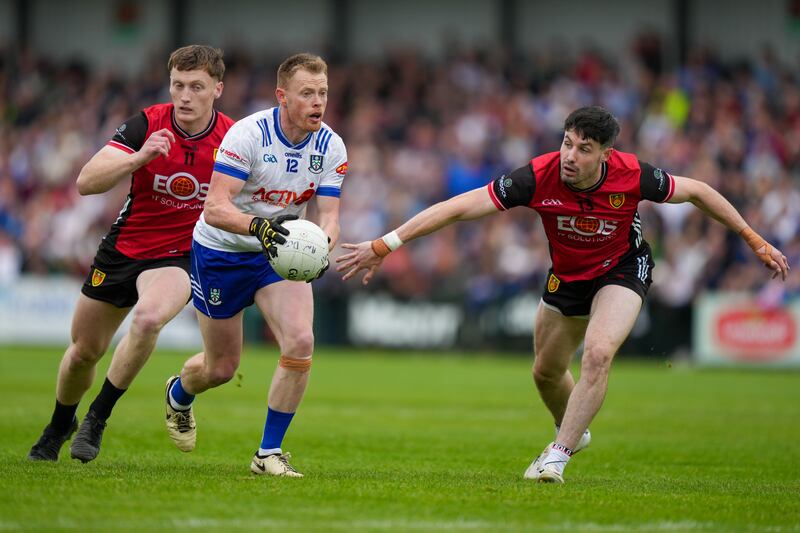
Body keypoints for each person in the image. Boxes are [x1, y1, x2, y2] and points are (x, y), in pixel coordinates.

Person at [336, 106, 790, 484]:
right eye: (567, 143)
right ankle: (573, 427)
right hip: (567, 278)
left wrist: (753, 239)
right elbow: (459, 207)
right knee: (544, 372)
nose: (570, 155)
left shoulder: (632, 175)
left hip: (623, 268)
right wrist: (386, 244)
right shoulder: (538, 176)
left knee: (597, 354)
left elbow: (698, 191)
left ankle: (558, 454)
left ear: (605, 155)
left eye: (584, 149)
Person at [28, 45, 234, 462]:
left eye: (197, 87)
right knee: (83, 352)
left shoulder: (234, 137)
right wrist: (139, 157)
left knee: (149, 318)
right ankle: (59, 422)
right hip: (123, 249)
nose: (185, 96)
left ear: (218, 89)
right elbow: (86, 182)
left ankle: (97, 418)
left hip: (180, 255)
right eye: (178, 85)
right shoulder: (146, 124)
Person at [164, 53, 347, 478]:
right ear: (282, 96)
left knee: (301, 341)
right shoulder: (248, 135)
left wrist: (323, 244)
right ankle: (179, 391)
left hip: (277, 254)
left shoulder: (331, 145)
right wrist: (259, 226)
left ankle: (268, 453)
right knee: (221, 368)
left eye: (322, 93)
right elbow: (214, 208)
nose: (317, 101)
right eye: (307, 93)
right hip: (221, 252)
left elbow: (331, 215)